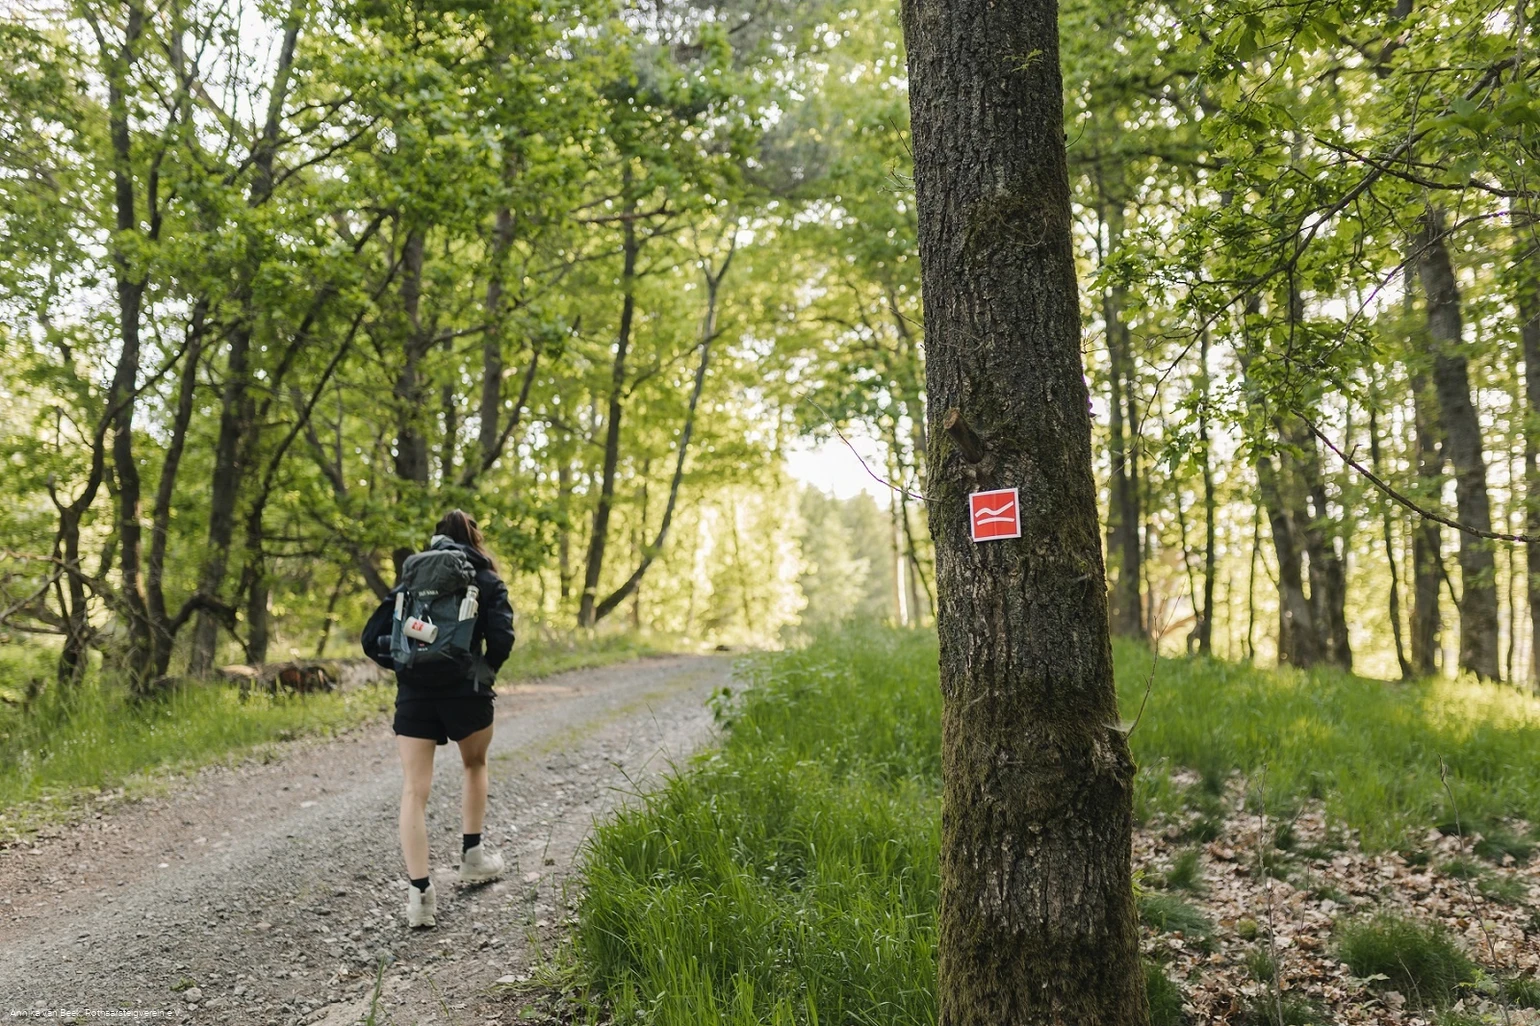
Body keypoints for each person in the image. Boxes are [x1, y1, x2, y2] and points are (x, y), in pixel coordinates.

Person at [362, 509, 516, 928]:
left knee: (414, 790)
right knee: (475, 763)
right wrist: (484, 669)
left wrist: (406, 665)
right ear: (474, 538)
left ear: (435, 539)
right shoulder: (485, 578)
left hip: (415, 695)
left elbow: (370, 638)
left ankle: (420, 898)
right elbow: (502, 638)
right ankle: (473, 857)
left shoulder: (411, 580)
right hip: (467, 691)